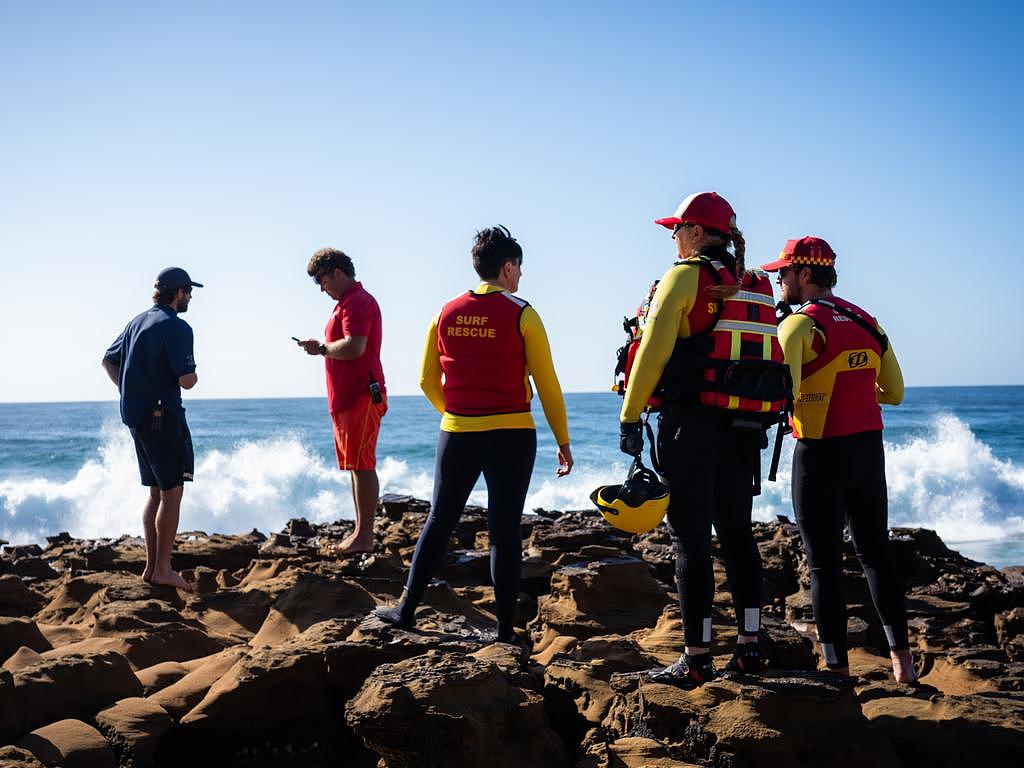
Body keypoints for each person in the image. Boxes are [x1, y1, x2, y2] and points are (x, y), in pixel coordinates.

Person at [376, 225, 573, 645]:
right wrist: (563, 441)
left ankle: (406, 610)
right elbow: (548, 383)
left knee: (439, 519)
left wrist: (457, 413)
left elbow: (427, 380)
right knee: (503, 529)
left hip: (457, 434)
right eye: (519, 268)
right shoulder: (523, 313)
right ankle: (504, 631)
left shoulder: (444, 312)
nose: (520, 276)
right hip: (512, 433)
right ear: (507, 267)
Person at [620, 192, 786, 686]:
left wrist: (630, 416)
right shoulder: (755, 283)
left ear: (694, 232)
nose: (673, 238)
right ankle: (749, 650)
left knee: (690, 538)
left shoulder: (686, 276)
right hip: (744, 429)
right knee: (736, 534)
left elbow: (651, 350)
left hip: (690, 425)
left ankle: (695, 658)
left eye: (676, 230)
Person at [761, 236, 916, 682]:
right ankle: (903, 666)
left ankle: (837, 670)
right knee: (876, 555)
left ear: (805, 274)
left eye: (784, 272)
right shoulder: (869, 323)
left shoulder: (798, 325)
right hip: (868, 450)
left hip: (819, 454)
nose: (778, 280)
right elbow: (896, 394)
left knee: (823, 564)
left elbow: (781, 394)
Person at [101, 267, 202, 592]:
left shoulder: (137, 321)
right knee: (172, 493)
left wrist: (132, 389)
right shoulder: (177, 327)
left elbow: (108, 360)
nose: (191, 298)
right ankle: (163, 568)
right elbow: (187, 380)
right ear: (180, 293)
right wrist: (189, 377)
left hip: (138, 418)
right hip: (164, 418)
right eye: (190, 292)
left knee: (156, 492)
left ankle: (150, 567)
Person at [297, 248, 386, 555]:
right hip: (348, 398)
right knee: (355, 466)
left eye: (322, 281)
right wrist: (320, 348)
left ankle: (364, 536)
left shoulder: (358, 302)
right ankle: (361, 532)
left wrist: (322, 349)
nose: (322, 288)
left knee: (362, 466)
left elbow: (354, 347)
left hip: (362, 394)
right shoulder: (346, 304)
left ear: (337, 272)